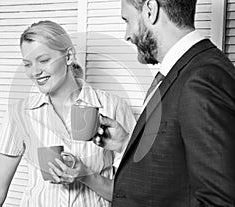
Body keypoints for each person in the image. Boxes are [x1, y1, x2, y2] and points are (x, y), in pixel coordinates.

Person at [92, 0, 235, 206]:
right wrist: (125, 144)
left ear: (151, 9)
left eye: (128, 20)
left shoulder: (202, 78)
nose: (127, 35)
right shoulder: (182, 70)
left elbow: (220, 201)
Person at [0, 20, 135, 207]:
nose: (35, 72)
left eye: (44, 60)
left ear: (68, 56)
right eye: (27, 64)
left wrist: (85, 175)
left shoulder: (113, 107)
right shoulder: (19, 113)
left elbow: (131, 193)